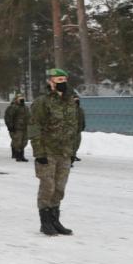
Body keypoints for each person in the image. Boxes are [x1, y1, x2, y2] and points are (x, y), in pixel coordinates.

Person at [29, 68, 78, 236]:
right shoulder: (42, 102)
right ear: (50, 82)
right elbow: (35, 128)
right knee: (47, 187)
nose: (62, 82)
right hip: (47, 151)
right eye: (58, 80)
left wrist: (73, 151)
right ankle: (45, 222)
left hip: (64, 152)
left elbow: (74, 127)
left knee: (59, 188)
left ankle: (55, 220)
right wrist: (39, 153)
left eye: (64, 79)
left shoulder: (70, 101)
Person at [4, 93, 30, 161]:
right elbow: (8, 117)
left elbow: (29, 117)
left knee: (24, 142)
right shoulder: (13, 107)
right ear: (16, 99)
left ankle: (21, 155)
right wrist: (10, 126)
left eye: (22, 98)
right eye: (19, 98)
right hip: (17, 128)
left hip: (25, 127)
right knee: (18, 142)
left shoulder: (25, 107)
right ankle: (18, 156)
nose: (21, 99)